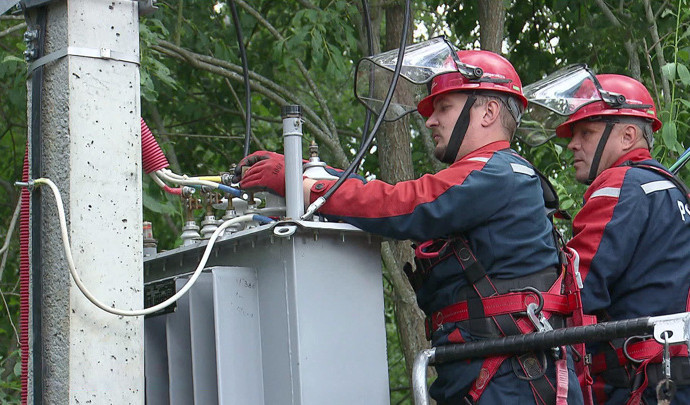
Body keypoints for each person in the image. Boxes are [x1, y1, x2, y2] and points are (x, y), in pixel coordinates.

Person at [240, 47, 583, 405]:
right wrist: (327, 178)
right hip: (498, 371)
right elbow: (397, 197)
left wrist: (309, 185)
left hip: (512, 378)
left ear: (488, 111)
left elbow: (404, 203)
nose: (431, 120)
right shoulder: (498, 173)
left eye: (443, 107)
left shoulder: (494, 173)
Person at [555, 73, 690, 404]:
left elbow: (575, 291)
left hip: (635, 384)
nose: (573, 143)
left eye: (586, 132)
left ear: (629, 135)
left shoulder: (619, 186)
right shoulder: (675, 191)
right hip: (671, 376)